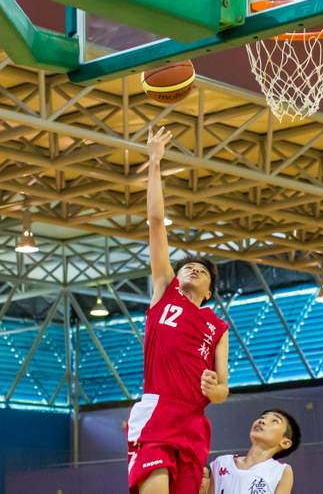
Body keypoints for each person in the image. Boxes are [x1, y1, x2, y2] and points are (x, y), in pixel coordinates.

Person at [127, 126, 231, 494]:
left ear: (209, 291)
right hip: (158, 410)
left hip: (193, 421)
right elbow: (155, 223)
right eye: (189, 265)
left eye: (202, 271)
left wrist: (214, 387)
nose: (194, 269)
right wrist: (155, 161)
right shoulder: (164, 292)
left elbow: (222, 392)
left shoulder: (217, 326)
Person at [200, 409, 300, 494]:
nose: (262, 421)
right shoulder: (221, 462)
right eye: (262, 418)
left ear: (285, 443)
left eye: (275, 421)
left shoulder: (281, 471)